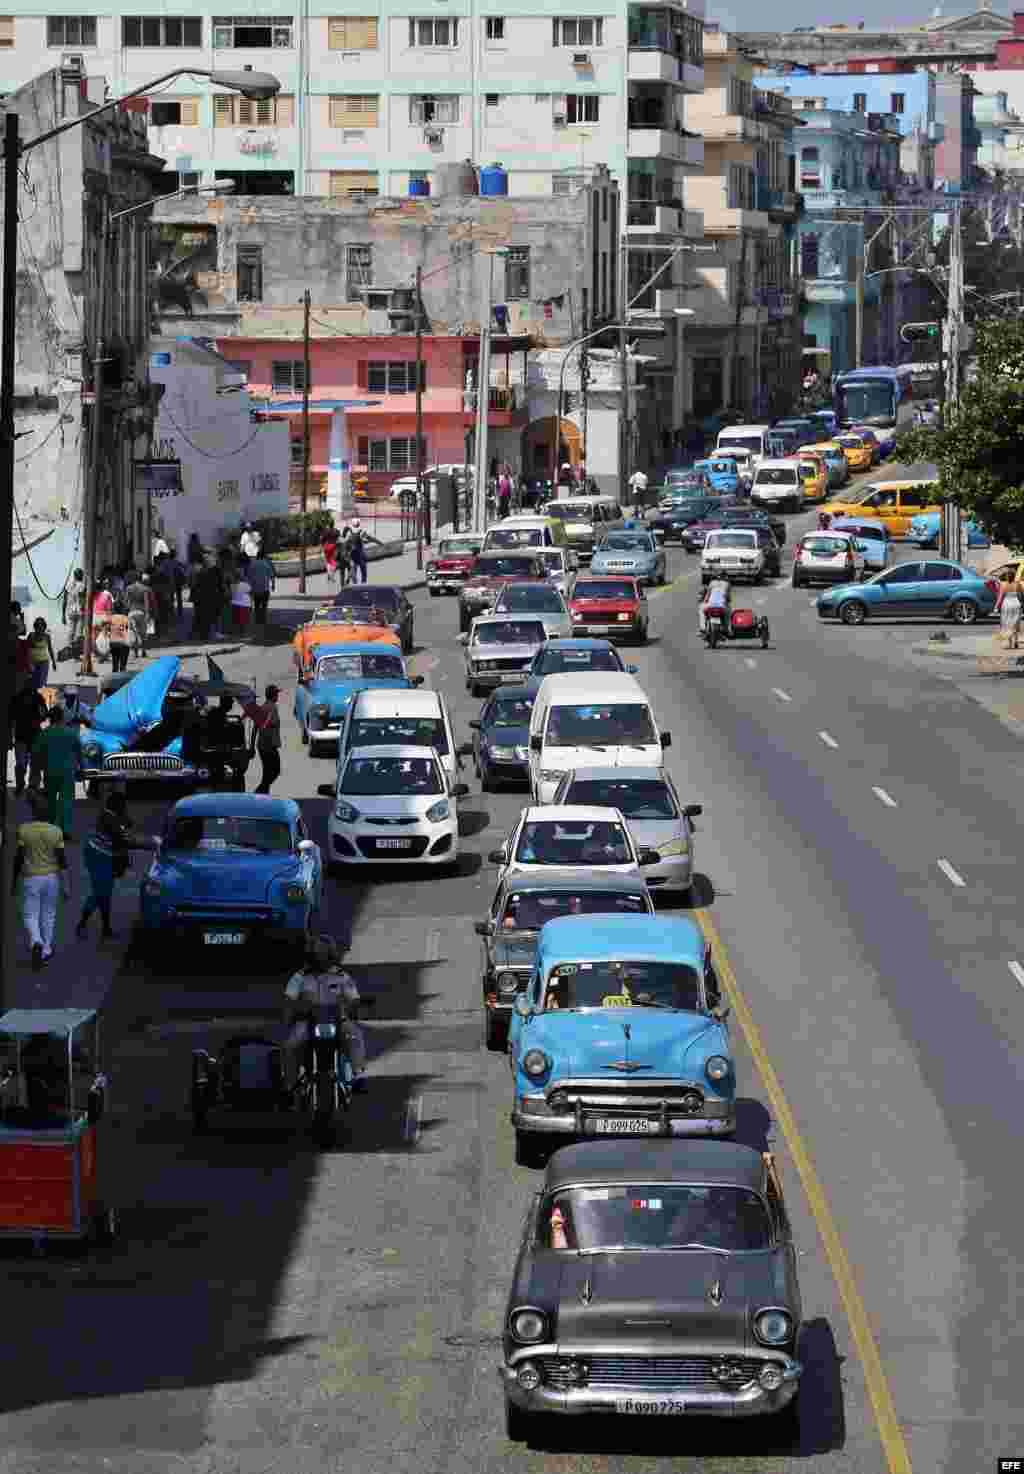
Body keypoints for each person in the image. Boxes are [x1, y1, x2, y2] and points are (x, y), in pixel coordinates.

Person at [283, 935, 368, 1092]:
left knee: (355, 1034)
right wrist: (289, 1015)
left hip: (338, 1020)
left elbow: (353, 998)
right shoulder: (299, 977)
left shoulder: (342, 976)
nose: (319, 955)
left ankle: (358, 1074)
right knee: (291, 1044)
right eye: (317, 951)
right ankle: (290, 1084)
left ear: (331, 953)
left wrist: (356, 1008)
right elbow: (289, 998)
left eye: (323, 951)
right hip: (307, 1021)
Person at [12, 790, 70, 969]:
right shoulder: (56, 832)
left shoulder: (24, 830)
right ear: (49, 815)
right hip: (51, 879)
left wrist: (13, 882)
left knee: (30, 914)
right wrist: (66, 885)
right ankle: (46, 949)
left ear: (34, 813)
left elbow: (18, 858)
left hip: (30, 878)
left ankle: (36, 941)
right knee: (49, 914)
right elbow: (62, 861)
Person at [76, 789, 136, 941]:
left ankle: (105, 928)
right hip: (97, 856)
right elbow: (122, 840)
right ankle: (82, 924)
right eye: (123, 805)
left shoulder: (112, 814)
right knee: (100, 893)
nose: (125, 807)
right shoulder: (110, 818)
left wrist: (124, 820)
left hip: (102, 855)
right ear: (118, 806)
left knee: (105, 893)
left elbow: (129, 823)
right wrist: (147, 844)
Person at [33, 705, 80, 839]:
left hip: (50, 771)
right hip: (67, 772)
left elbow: (36, 754)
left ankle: (52, 827)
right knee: (66, 801)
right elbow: (79, 752)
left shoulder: (44, 733)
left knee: (51, 800)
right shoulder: (71, 733)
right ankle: (65, 830)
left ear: (50, 718)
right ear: (62, 717)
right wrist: (81, 768)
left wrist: (35, 772)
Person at [241, 684, 282, 794]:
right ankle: (258, 793)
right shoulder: (271, 707)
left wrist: (253, 745)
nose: (278, 696)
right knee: (274, 771)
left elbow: (255, 727)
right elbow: (262, 725)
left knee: (268, 773)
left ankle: (263, 795)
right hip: (268, 745)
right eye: (277, 693)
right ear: (273, 695)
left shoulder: (264, 706)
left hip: (263, 745)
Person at [10, 683, 47, 796]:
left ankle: (22, 785)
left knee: (22, 763)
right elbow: (44, 714)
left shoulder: (17, 697)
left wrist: (11, 737)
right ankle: (32, 786)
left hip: (21, 735)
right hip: (33, 735)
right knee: (34, 763)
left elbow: (11, 719)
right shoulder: (37, 697)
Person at [125, 570, 152, 657]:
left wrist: (128, 611)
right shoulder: (145, 589)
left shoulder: (129, 588)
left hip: (132, 612)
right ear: (141, 578)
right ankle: (143, 651)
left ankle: (135, 652)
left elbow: (126, 602)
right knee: (143, 633)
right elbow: (146, 602)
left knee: (133, 632)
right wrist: (148, 613)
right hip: (142, 613)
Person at [247, 551, 276, 631]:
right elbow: (272, 575)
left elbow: (249, 576)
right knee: (264, 605)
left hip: (255, 589)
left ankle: (257, 620)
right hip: (265, 589)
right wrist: (273, 585)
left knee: (256, 605)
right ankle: (263, 620)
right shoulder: (266, 564)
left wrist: (250, 587)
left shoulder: (252, 564)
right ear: (263, 556)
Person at [27, 617, 57, 690]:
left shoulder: (47, 636)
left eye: (41, 625)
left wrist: (53, 662)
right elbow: (26, 649)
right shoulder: (31, 635)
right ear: (35, 626)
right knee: (33, 682)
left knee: (42, 683)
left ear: (44, 627)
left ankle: (41, 698)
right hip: (33, 662)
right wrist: (27, 663)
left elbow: (50, 649)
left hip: (44, 662)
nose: (40, 627)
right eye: (38, 625)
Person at [62, 569, 86, 652]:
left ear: (74, 575)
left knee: (71, 631)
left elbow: (64, 600)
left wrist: (63, 615)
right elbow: (82, 600)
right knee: (79, 633)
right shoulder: (82, 586)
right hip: (80, 611)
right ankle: (76, 651)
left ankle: (70, 649)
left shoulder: (68, 585)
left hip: (71, 611)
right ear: (81, 576)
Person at [999, 573, 1023, 651]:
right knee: (1015, 623)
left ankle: (1009, 642)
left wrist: (996, 607)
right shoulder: (1017, 584)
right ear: (1014, 577)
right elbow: (1022, 595)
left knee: (1007, 623)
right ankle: (1016, 641)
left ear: (1006, 577)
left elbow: (1000, 597)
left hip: (1007, 604)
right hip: (1016, 603)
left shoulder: (1003, 585)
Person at [108, 598, 132, 673]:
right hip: (124, 643)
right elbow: (129, 629)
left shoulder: (110, 618)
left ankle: (114, 677)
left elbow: (106, 628)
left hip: (113, 643)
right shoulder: (126, 618)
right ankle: (122, 671)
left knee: (115, 665)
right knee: (122, 666)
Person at [231, 569, 253, 636]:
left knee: (237, 619)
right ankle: (244, 633)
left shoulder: (232, 585)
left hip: (235, 603)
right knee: (244, 620)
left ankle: (238, 632)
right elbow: (250, 592)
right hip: (245, 604)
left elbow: (232, 594)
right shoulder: (245, 584)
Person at [347, 519, 368, 584]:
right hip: (361, 554)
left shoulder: (349, 532)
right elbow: (366, 540)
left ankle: (354, 584)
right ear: (359, 524)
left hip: (353, 555)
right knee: (363, 571)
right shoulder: (362, 531)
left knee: (354, 570)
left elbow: (346, 542)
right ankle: (363, 584)